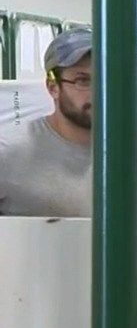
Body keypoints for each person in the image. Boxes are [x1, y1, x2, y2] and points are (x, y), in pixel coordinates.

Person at [0, 27, 93, 217]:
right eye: (82, 80)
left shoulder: (131, 154)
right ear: (53, 88)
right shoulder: (9, 152)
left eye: (107, 79)